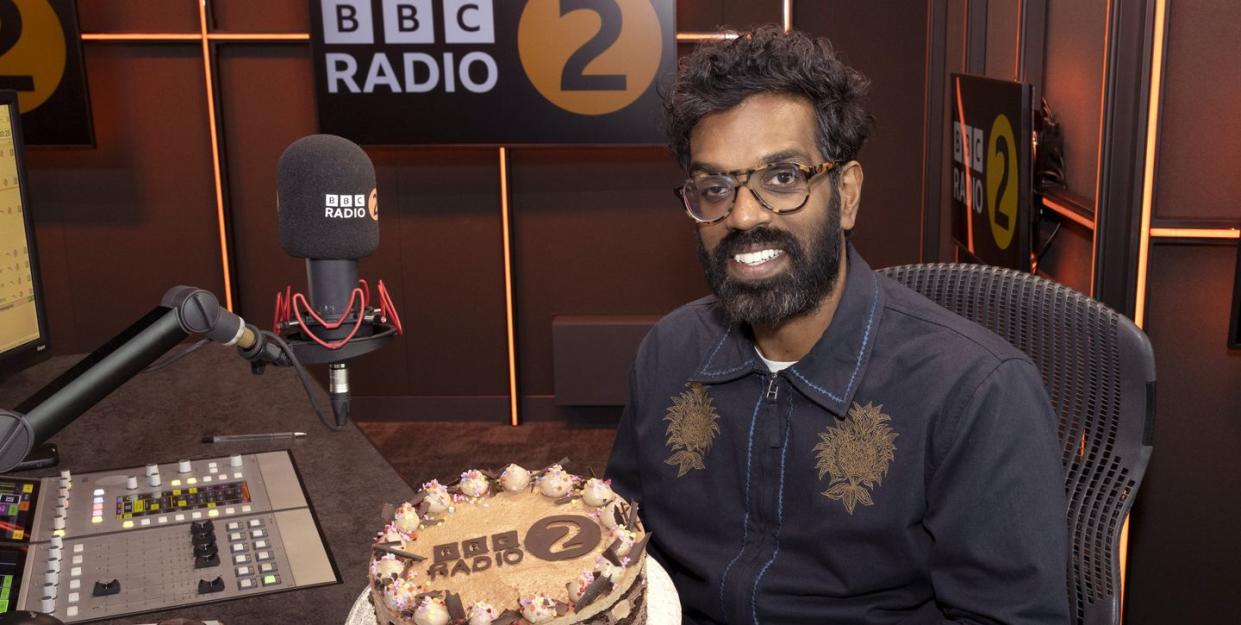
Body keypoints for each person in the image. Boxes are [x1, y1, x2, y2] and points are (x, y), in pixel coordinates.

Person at [605, 26, 1069, 625]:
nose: (743, 215)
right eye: (715, 187)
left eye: (782, 179)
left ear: (845, 195)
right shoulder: (668, 353)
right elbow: (619, 554)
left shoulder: (975, 394)